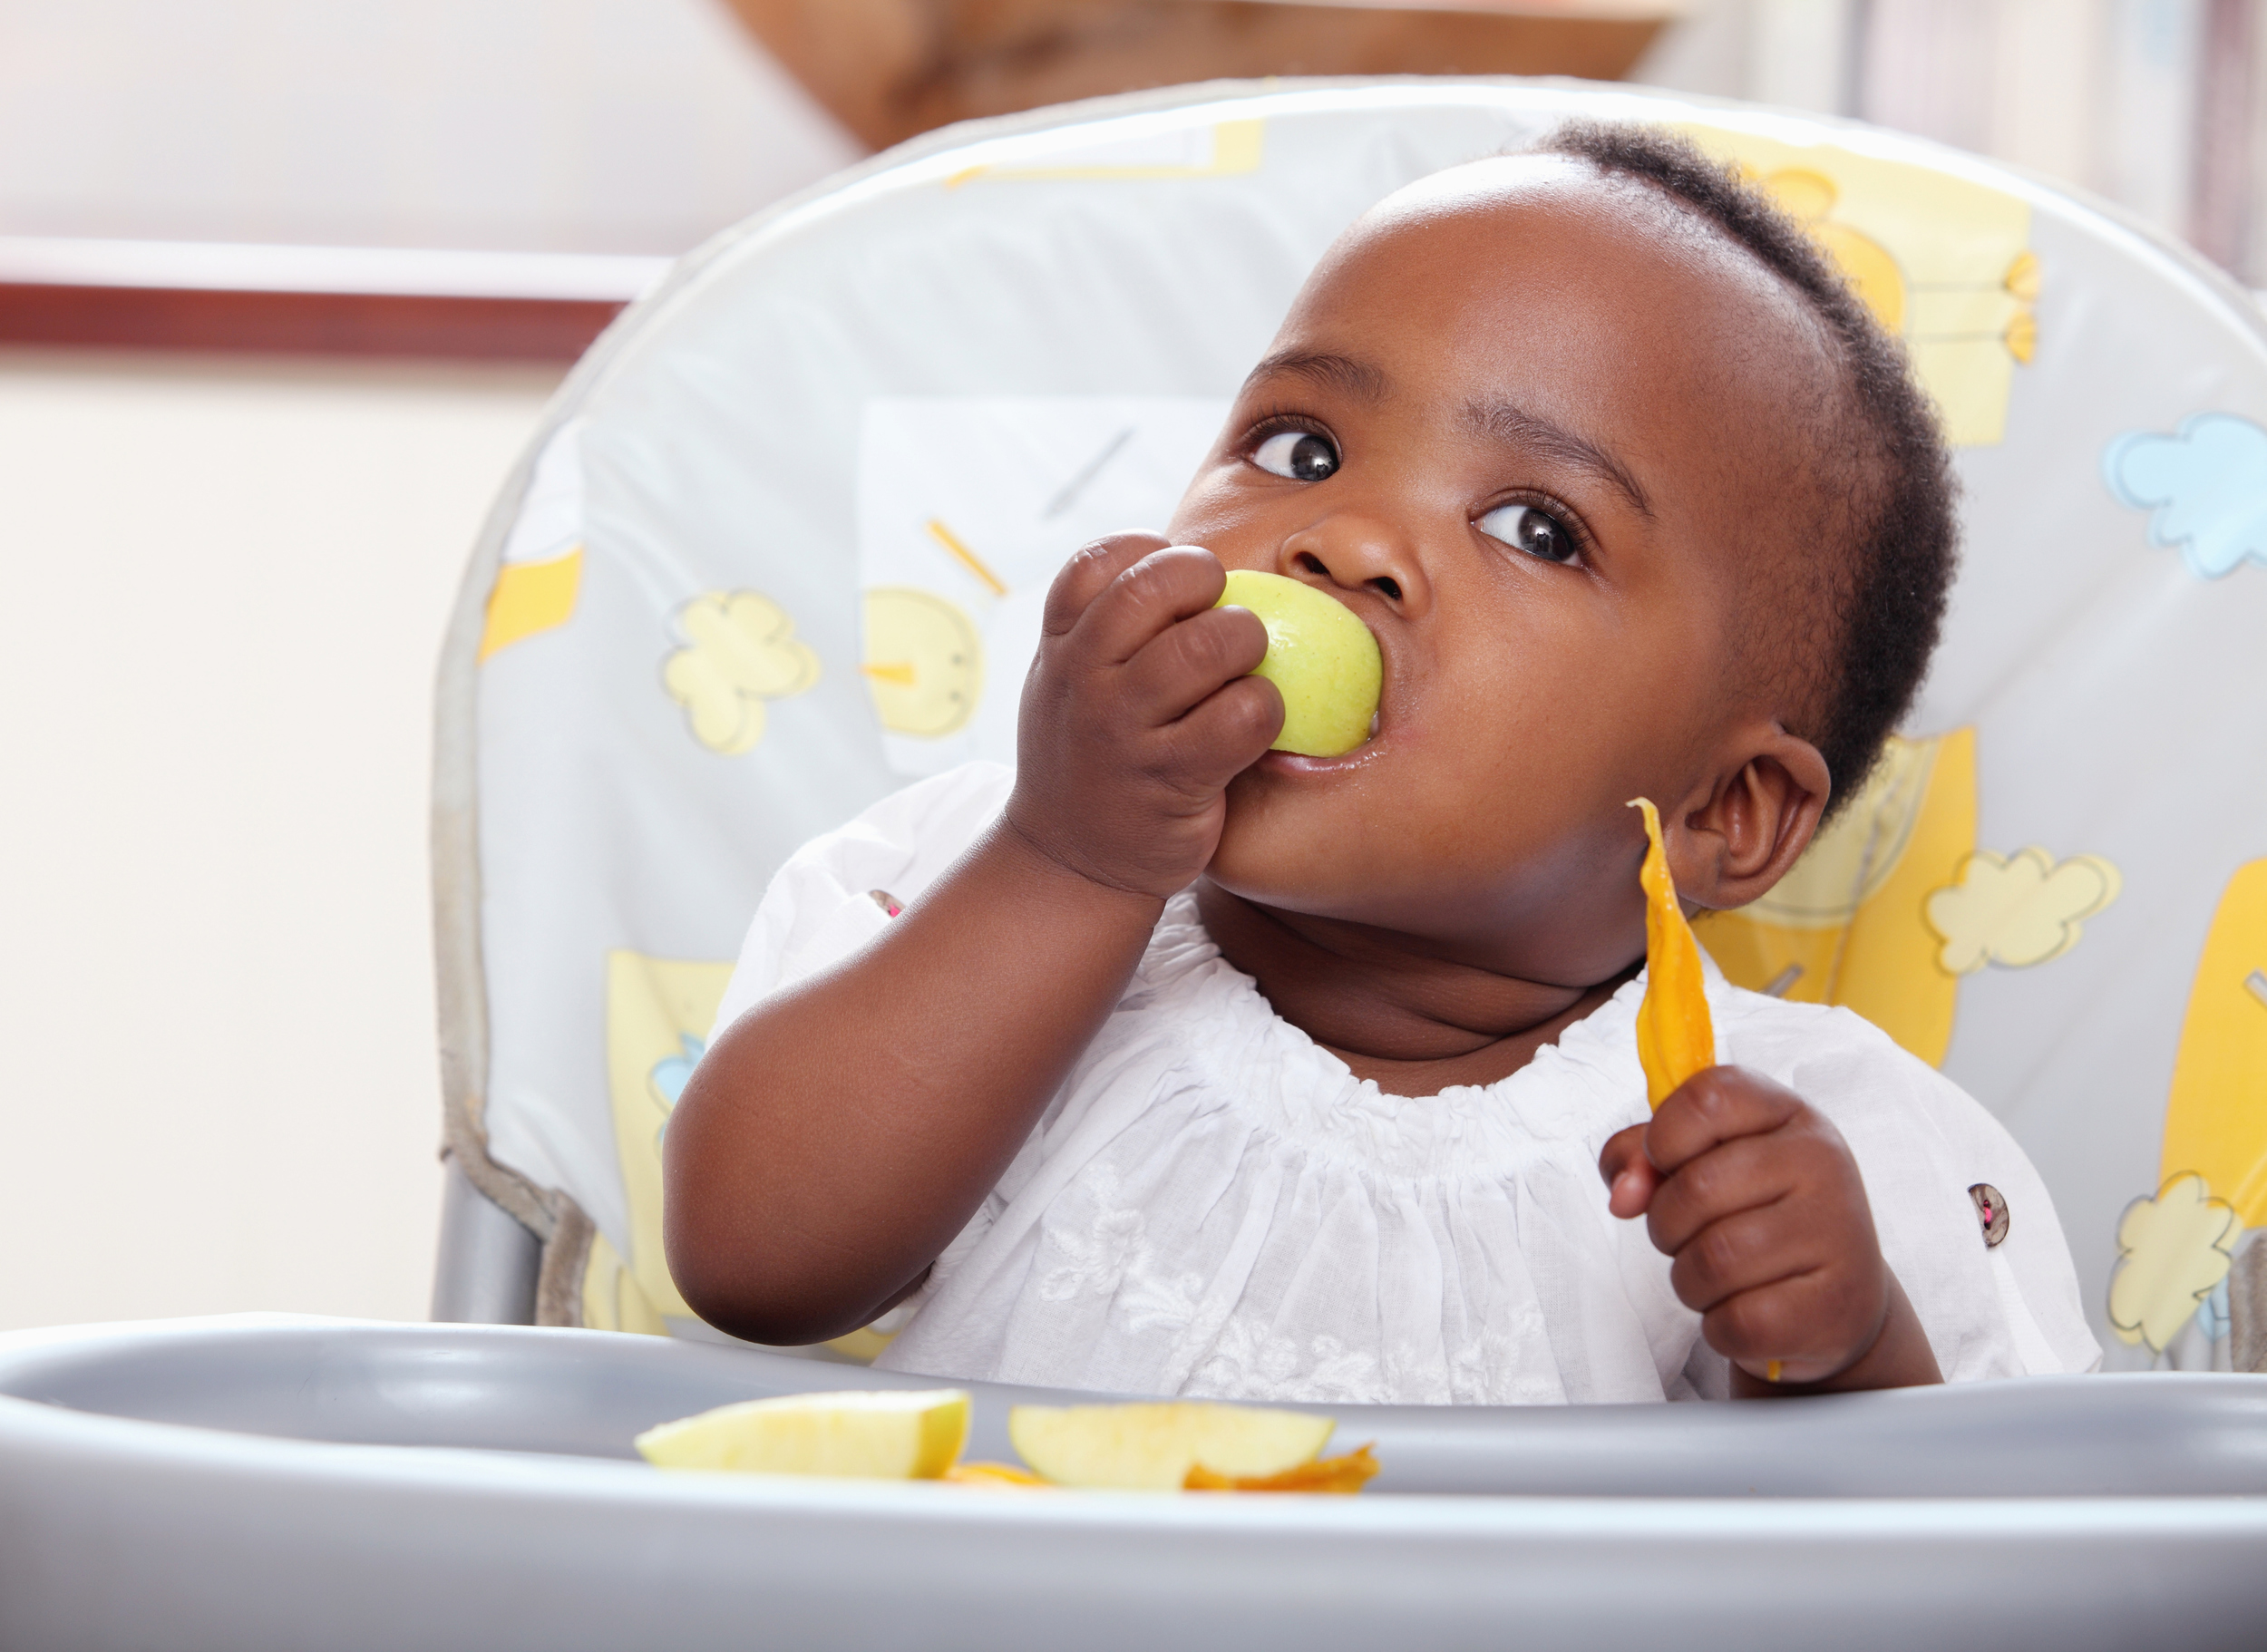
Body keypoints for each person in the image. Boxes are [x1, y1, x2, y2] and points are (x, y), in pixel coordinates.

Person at [663, 121, 2099, 1404]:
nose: (1345, 539)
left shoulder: (1780, 1145)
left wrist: (1841, 1352)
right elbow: (754, 1266)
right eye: (1298, 446)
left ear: (1726, 811)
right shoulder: (989, 885)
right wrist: (1069, 862)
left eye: (1538, 526)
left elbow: (1966, 1569)